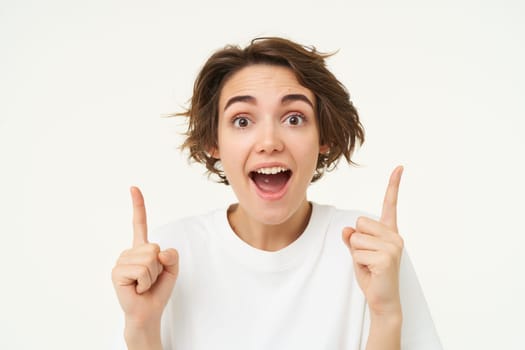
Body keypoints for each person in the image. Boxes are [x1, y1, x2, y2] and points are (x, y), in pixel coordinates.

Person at [112, 37, 442, 350]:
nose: (269, 141)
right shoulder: (168, 255)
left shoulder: (371, 248)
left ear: (322, 136)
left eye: (294, 118)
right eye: (242, 121)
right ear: (214, 142)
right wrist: (141, 328)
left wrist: (386, 315)